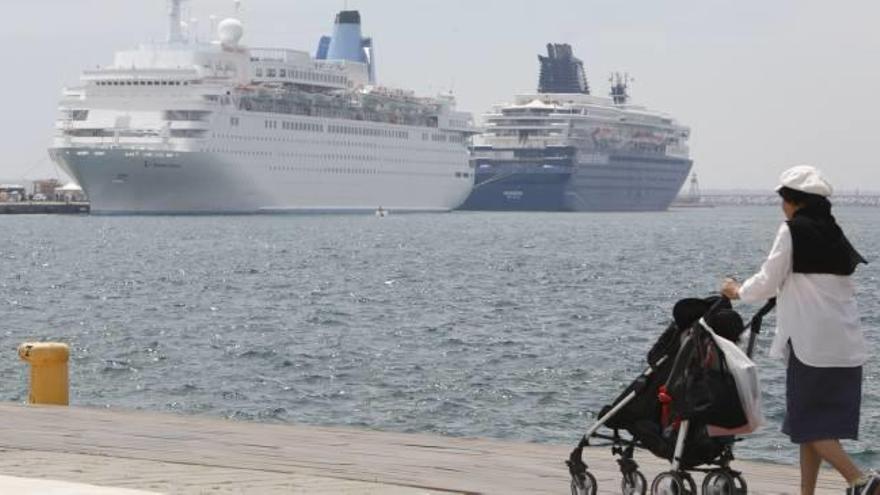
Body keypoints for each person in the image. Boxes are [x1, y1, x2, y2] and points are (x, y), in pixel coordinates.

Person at [720, 165, 873, 495]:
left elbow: (768, 279)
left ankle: (862, 482)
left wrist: (737, 291)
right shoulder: (834, 234)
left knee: (807, 425)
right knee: (816, 427)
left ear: (793, 201)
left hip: (811, 347)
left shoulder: (792, 231)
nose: (781, 206)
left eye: (783, 199)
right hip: (846, 347)